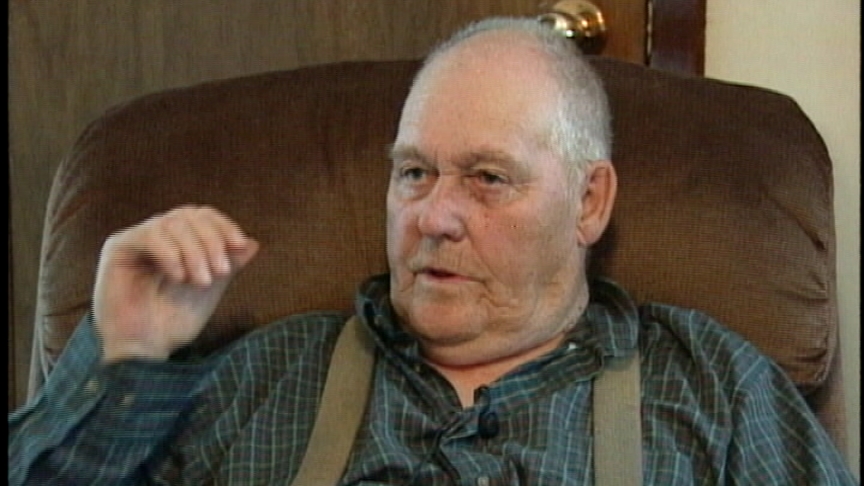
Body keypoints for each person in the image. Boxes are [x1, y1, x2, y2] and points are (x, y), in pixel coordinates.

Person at [8, 16, 857, 485]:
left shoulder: (715, 391)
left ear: (589, 202)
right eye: (414, 173)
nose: (434, 217)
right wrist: (116, 358)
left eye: (487, 178)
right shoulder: (264, 381)